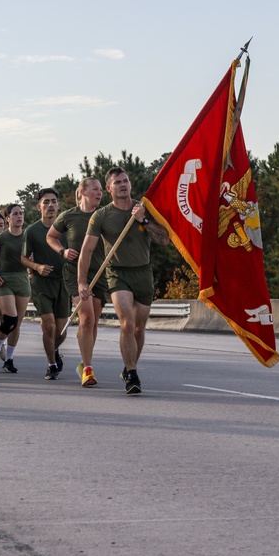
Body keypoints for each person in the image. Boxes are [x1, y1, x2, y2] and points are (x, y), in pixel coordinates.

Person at [77, 167, 168, 395]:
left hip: (143, 272)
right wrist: (81, 282)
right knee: (127, 323)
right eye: (117, 182)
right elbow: (86, 251)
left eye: (125, 180)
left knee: (139, 328)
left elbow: (164, 239)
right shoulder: (102, 215)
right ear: (109, 188)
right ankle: (133, 374)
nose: (123, 184)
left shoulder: (143, 208)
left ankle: (128, 367)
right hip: (118, 274)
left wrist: (144, 220)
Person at [47, 177, 107, 387]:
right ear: (82, 191)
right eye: (95, 189)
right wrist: (62, 251)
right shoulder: (69, 216)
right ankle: (88, 369)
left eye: (101, 190)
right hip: (74, 273)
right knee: (87, 317)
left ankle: (84, 362)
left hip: (99, 272)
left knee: (93, 321)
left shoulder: (104, 215)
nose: (99, 193)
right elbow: (51, 237)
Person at [22, 187, 70, 380]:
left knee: (62, 330)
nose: (50, 205)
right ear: (38, 206)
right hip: (42, 283)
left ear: (58, 205)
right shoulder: (32, 231)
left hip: (64, 282)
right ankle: (51, 364)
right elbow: (23, 258)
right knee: (48, 326)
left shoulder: (66, 229)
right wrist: (37, 267)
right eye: (46, 202)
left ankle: (54, 351)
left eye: (53, 202)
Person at [0, 204, 29, 373]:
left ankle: (10, 359)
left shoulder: (28, 237)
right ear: (8, 218)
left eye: (21, 213)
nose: (19, 216)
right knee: (10, 319)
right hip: (4, 280)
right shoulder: (1, 238)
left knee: (17, 324)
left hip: (22, 279)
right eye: (15, 214)